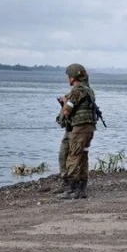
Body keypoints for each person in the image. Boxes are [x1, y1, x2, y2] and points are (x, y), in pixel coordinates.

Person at [57, 63, 97, 199]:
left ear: (73, 77)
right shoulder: (89, 90)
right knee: (83, 156)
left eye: (69, 76)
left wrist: (64, 101)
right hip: (89, 128)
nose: (68, 79)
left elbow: (67, 111)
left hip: (80, 128)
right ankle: (81, 189)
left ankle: (72, 190)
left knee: (73, 157)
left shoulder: (76, 91)